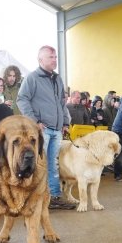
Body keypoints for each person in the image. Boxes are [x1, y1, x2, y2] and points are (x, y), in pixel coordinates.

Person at [17, 45, 74, 210]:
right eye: (51, 57)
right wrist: (34, 121)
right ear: (40, 60)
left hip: (57, 130)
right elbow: (22, 99)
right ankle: (33, 199)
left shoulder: (57, 79)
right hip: (42, 130)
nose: (54, 60)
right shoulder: (32, 78)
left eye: (55, 57)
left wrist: (64, 123)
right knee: (38, 164)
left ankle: (54, 197)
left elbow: (61, 103)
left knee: (53, 164)